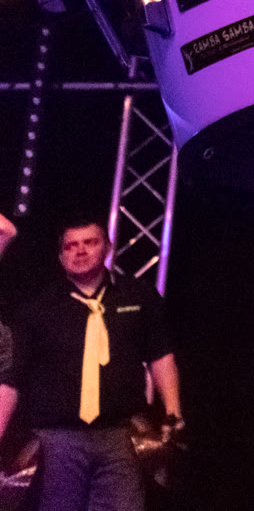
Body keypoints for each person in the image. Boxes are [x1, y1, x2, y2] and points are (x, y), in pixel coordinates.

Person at [0, 215, 179, 511]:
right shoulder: (39, 307)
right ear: (60, 256)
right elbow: (11, 377)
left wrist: (174, 413)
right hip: (57, 439)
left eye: (89, 242)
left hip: (122, 435)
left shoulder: (139, 296)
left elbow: (160, 356)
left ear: (108, 247)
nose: (80, 251)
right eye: (70, 246)